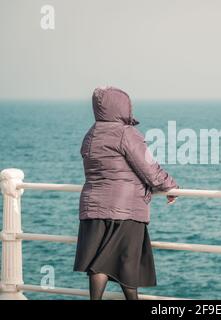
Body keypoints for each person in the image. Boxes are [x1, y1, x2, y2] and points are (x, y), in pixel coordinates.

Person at [73, 86, 178, 300]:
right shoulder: (126, 133)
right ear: (122, 106)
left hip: (93, 208)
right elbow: (148, 168)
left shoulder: (91, 134)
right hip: (125, 209)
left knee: (99, 262)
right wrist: (170, 185)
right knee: (127, 264)